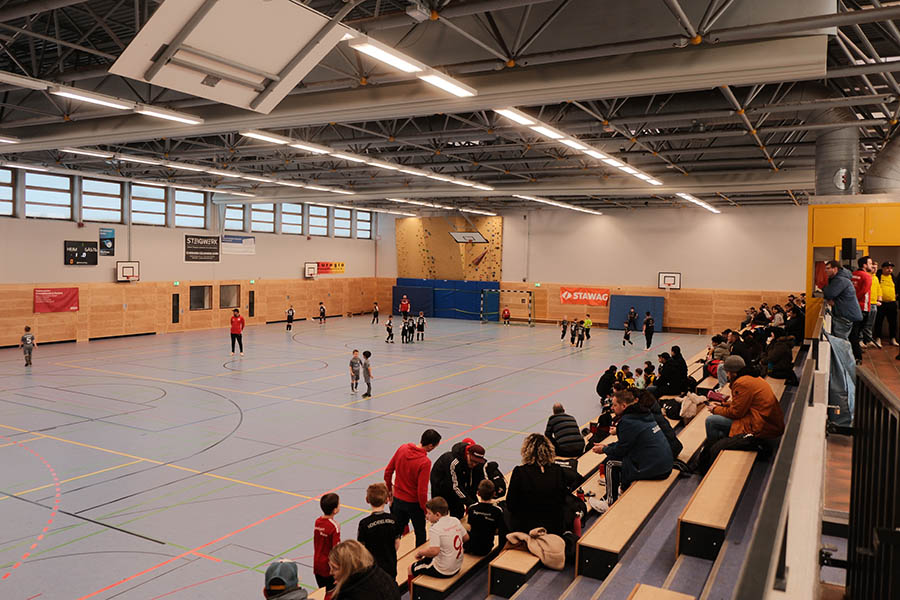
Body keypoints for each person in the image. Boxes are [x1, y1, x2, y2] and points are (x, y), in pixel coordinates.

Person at [590, 390, 673, 510]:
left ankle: (609, 502)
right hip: (664, 464)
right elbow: (627, 443)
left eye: (615, 405)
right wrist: (607, 446)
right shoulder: (644, 414)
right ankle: (622, 487)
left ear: (624, 406)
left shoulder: (627, 421)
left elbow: (621, 450)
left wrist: (604, 449)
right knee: (625, 457)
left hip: (656, 468)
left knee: (610, 463)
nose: (612, 408)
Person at [705, 355, 785, 446]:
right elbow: (744, 404)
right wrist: (724, 405)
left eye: (727, 372)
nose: (727, 375)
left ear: (733, 373)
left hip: (761, 424)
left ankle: (713, 449)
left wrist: (715, 409)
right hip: (767, 420)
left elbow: (736, 413)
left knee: (711, 421)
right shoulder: (752, 377)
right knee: (719, 419)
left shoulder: (742, 383)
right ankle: (721, 442)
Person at [384, 429, 441, 547]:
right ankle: (420, 556)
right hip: (414, 504)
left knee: (396, 533)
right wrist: (425, 509)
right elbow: (422, 491)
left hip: (398, 500)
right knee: (420, 533)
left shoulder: (402, 449)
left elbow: (388, 472)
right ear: (430, 446)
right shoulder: (425, 462)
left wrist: (389, 491)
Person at [506, 433, 569, 535]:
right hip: (554, 527)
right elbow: (562, 499)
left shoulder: (520, 472)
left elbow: (511, 504)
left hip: (527, 528)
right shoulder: (558, 470)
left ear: (526, 451)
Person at [409, 497, 468, 580]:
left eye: (429, 513)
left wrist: (420, 553)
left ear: (437, 515)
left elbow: (434, 551)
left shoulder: (435, 529)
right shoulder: (455, 520)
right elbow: (466, 538)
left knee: (410, 568)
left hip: (444, 570)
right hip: (457, 566)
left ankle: (412, 588)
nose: (426, 516)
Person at [430, 441, 487, 519]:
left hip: (455, 488)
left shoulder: (476, 463)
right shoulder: (453, 463)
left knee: (459, 513)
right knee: (439, 516)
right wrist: (471, 503)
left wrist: (474, 503)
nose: (474, 464)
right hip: (440, 489)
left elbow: (472, 483)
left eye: (477, 462)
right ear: (467, 454)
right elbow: (455, 487)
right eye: (472, 461)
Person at [328, 540, 400, 600]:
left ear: (348, 568)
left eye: (335, 568)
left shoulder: (348, 595)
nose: (330, 572)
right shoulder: (381, 575)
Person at [357, 483, 400, 579]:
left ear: (367, 500)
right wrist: (389, 553)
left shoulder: (364, 524)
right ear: (387, 500)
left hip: (372, 568)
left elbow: (361, 548)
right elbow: (397, 543)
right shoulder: (393, 519)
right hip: (390, 565)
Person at [823, 260, 863, 340]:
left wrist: (824, 288)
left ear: (835, 269)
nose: (825, 270)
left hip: (844, 315)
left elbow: (829, 293)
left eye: (828, 268)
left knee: (841, 341)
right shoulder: (841, 278)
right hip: (846, 313)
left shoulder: (840, 280)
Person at [464, 480, 506, 556]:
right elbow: (499, 530)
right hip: (486, 548)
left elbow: (469, 527)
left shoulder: (472, 508)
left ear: (478, 493)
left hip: (471, 546)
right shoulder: (497, 511)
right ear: (494, 494)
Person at [313, 493, 341, 591]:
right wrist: (338, 571)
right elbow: (336, 551)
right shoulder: (334, 526)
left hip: (317, 565)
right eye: (339, 504)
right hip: (328, 569)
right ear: (335, 510)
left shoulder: (317, 521)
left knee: (322, 592)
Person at [851, 256, 875, 360]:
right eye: (870, 263)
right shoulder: (867, 276)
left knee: (854, 333)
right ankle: (857, 356)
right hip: (862, 308)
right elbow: (863, 292)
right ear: (864, 265)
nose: (872, 265)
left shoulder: (853, 274)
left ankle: (855, 354)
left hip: (853, 307)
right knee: (856, 333)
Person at [873, 261, 898, 347]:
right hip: (881, 303)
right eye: (887, 268)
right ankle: (878, 338)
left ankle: (893, 338)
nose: (889, 270)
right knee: (879, 321)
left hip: (892, 303)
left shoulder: (893, 277)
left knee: (893, 322)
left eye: (891, 268)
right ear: (883, 268)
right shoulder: (878, 276)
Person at [865, 261, 881, 347]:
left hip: (874, 303)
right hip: (867, 303)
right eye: (873, 267)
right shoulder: (867, 276)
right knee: (864, 323)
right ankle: (861, 340)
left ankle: (868, 340)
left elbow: (878, 289)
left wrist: (879, 298)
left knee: (870, 324)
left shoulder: (876, 278)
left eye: (876, 268)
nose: (875, 269)